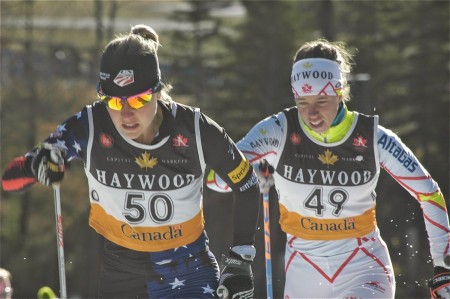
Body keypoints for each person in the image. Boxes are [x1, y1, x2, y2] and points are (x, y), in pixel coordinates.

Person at [2, 24, 260, 299]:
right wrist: (39, 164)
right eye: (113, 102)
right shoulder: (91, 125)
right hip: (122, 275)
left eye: (138, 101)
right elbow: (10, 180)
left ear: (158, 91)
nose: (125, 114)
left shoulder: (195, 130)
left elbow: (247, 184)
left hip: (188, 271)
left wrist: (240, 260)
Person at [207, 39, 450, 298]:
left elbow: (429, 193)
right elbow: (217, 180)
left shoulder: (373, 138)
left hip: (363, 267)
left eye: (321, 100)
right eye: (303, 102)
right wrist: (249, 172)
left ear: (340, 91)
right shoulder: (279, 130)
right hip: (304, 272)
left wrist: (442, 268)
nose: (311, 113)